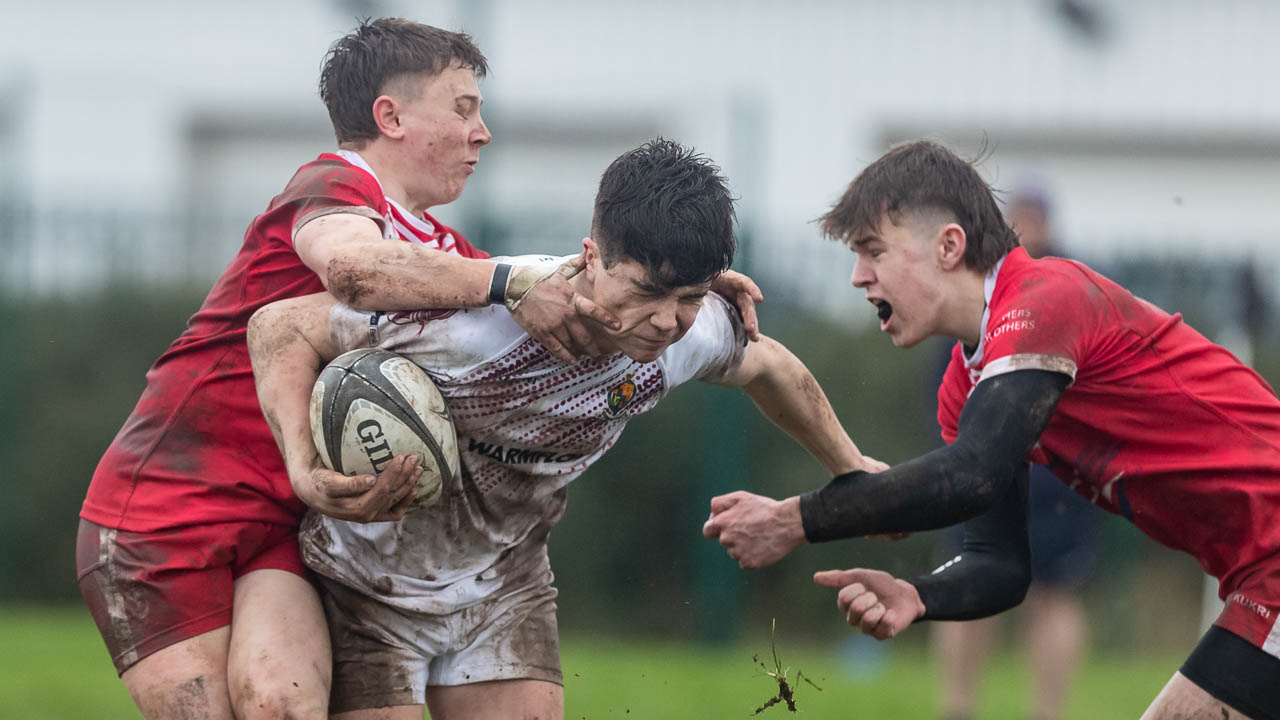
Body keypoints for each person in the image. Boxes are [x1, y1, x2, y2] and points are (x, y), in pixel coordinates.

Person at [75, 18, 763, 720]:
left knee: (283, 708)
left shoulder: (443, 253)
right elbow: (353, 270)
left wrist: (687, 280)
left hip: (294, 516)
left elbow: (575, 280)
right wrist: (503, 281)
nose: (482, 131)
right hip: (170, 506)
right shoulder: (336, 185)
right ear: (391, 116)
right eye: (464, 108)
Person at [247, 138, 879, 720]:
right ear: (592, 256)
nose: (666, 322)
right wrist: (303, 468)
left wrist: (854, 470)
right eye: (646, 292)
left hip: (505, 589)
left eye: (689, 297)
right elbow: (277, 327)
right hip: (368, 588)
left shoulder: (686, 334)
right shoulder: (471, 324)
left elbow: (769, 366)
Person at [702, 140, 1280, 720]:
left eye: (873, 251)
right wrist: (920, 595)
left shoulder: (1043, 299)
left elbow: (969, 476)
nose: (858, 277)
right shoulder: (966, 384)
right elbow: (999, 564)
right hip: (1259, 578)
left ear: (949, 245)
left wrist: (795, 520)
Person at [929, 175, 1102, 720]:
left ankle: (1046, 712)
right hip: (988, 471)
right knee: (970, 588)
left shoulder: (1067, 291)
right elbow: (949, 385)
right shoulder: (980, 294)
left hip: (1055, 476)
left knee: (1053, 595)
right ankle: (958, 707)